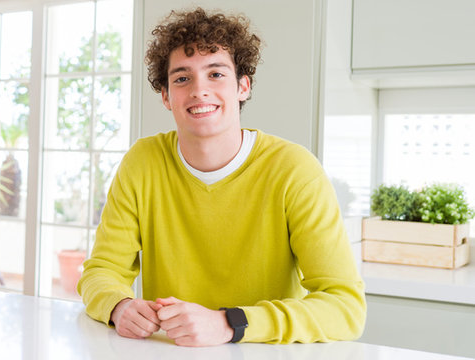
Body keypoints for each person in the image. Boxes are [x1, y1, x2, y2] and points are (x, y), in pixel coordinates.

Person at [77, 8, 365, 346]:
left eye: (216, 74)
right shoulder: (143, 163)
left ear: (243, 86)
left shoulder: (295, 170)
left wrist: (230, 323)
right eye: (182, 78)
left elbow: (346, 307)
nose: (199, 90)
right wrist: (119, 305)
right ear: (166, 96)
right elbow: (101, 271)